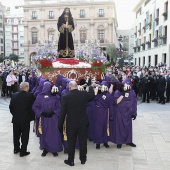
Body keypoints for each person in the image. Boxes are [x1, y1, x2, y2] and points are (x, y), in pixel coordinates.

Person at [58, 81, 95, 166]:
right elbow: (92, 95)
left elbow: (62, 113)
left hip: (71, 123)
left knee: (71, 142)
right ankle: (83, 159)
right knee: (82, 141)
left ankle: (71, 160)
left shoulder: (65, 97)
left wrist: (60, 125)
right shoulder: (84, 94)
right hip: (83, 122)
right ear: (77, 86)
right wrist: (91, 87)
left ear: (69, 88)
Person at [32, 81, 63, 157]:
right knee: (44, 133)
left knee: (54, 133)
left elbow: (59, 107)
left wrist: (54, 112)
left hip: (54, 118)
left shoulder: (55, 96)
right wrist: (41, 113)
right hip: (44, 118)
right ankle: (45, 149)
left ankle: (54, 149)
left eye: (49, 87)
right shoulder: (40, 96)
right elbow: (34, 107)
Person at [9, 82, 35, 157]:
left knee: (16, 135)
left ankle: (16, 149)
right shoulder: (30, 96)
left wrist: (15, 114)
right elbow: (34, 106)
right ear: (26, 87)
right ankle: (23, 151)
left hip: (16, 119)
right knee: (25, 136)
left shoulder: (14, 95)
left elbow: (11, 107)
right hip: (25, 119)